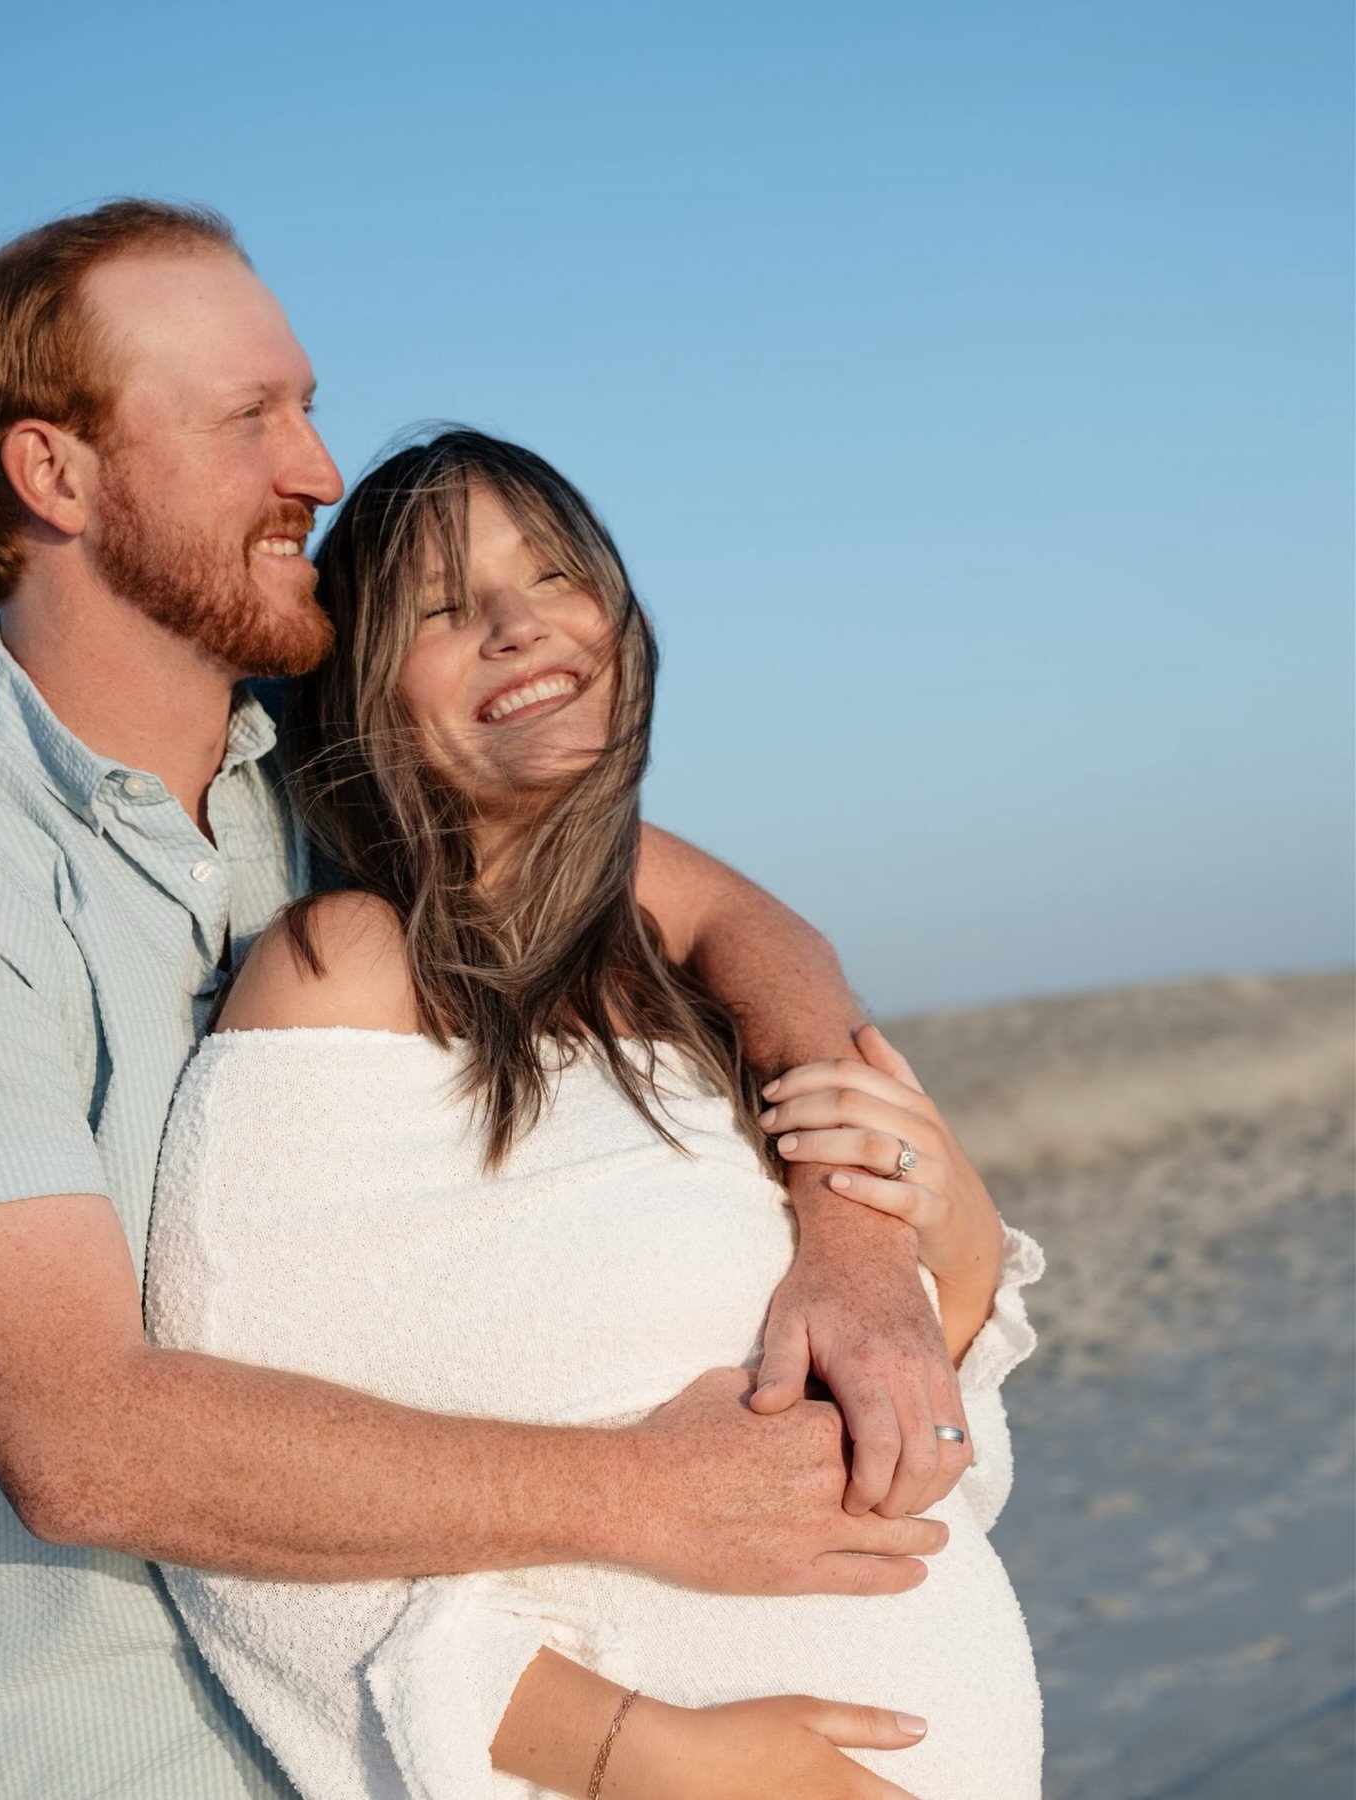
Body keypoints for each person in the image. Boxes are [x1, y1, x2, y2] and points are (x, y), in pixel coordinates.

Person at [0, 201, 976, 1799]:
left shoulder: (333, 759)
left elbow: (731, 913)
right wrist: (642, 1498)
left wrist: (851, 1233)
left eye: (310, 402)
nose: (321, 471)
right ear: (53, 474)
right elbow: (79, 1438)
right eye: (250, 419)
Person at [144, 429, 1045, 1800]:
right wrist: (662, 1759)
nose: (517, 626)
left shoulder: (680, 993)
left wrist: (945, 1251)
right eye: (443, 610)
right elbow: (238, 1528)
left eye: (555, 575)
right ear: (363, 697)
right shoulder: (347, 972)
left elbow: (922, 1461)